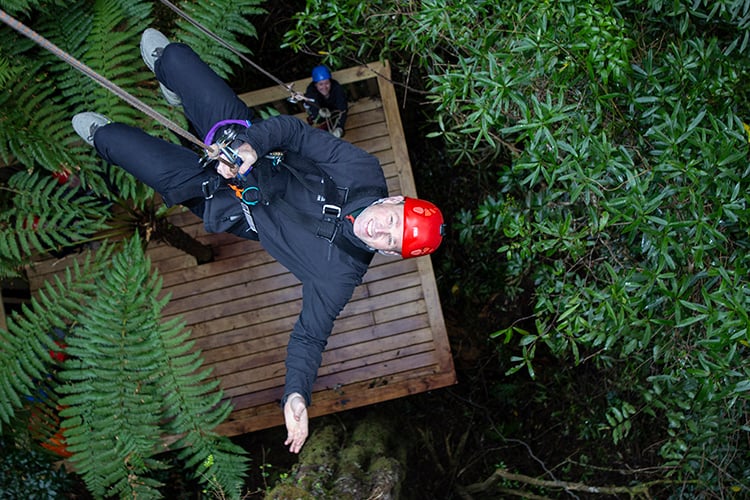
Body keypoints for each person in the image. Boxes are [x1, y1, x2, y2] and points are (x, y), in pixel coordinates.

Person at [72, 29, 445, 454]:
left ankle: (108, 139)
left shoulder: (339, 274)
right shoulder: (361, 170)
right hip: (246, 149)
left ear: (389, 254)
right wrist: (251, 147)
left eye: (390, 241)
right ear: (394, 199)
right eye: (390, 220)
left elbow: (309, 338)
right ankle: (174, 87)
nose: (379, 231)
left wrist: (296, 395)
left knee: (114, 141)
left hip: (227, 203)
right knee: (173, 57)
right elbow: (296, 133)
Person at [303, 65, 348, 137]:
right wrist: (319, 114)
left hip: (334, 114)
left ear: (330, 82)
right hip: (319, 117)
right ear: (315, 85)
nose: (324, 87)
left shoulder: (336, 88)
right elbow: (313, 106)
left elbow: (343, 108)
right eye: (320, 84)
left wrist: (340, 127)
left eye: (327, 83)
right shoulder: (311, 91)